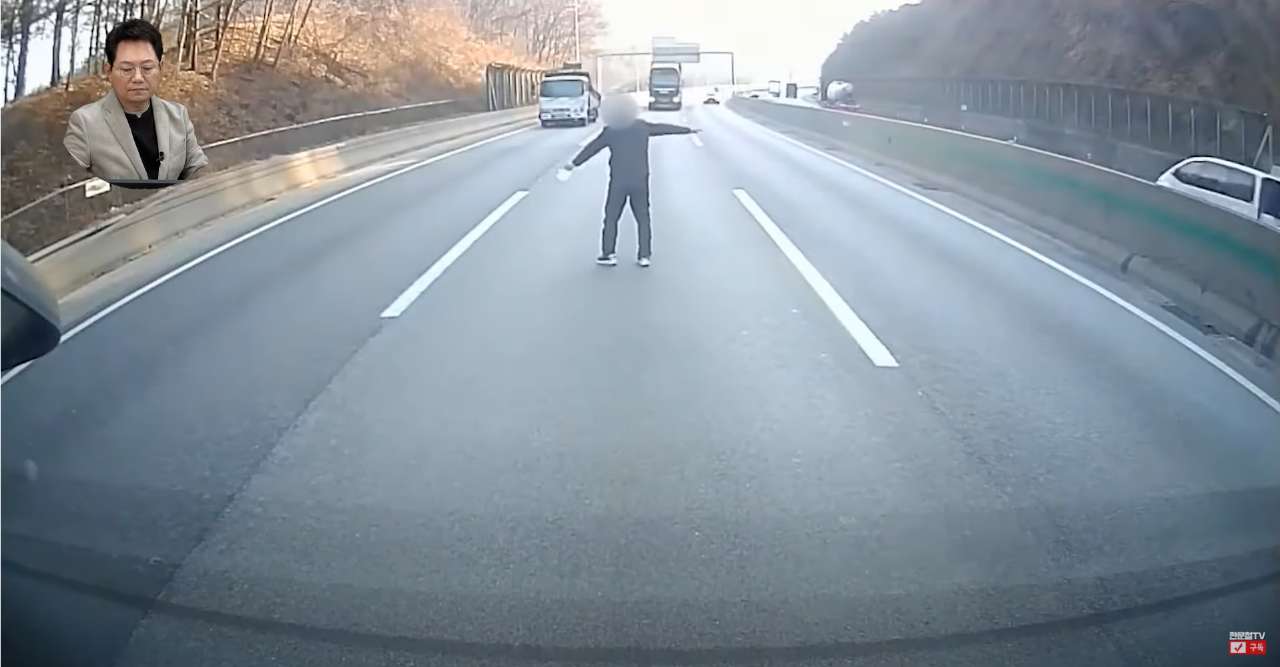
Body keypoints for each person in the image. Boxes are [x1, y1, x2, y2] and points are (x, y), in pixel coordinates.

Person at [64, 19, 208, 183]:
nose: (138, 78)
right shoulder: (84, 123)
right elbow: (75, 187)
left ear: (160, 68)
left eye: (147, 68)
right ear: (108, 71)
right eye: (127, 69)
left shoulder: (178, 116)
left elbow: (198, 170)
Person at [563, 96, 698, 267]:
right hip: (640, 180)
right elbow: (663, 128)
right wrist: (687, 130)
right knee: (643, 218)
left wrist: (574, 164)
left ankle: (608, 254)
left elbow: (592, 148)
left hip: (618, 181)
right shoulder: (642, 127)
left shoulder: (611, 131)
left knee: (611, 218)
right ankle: (644, 256)